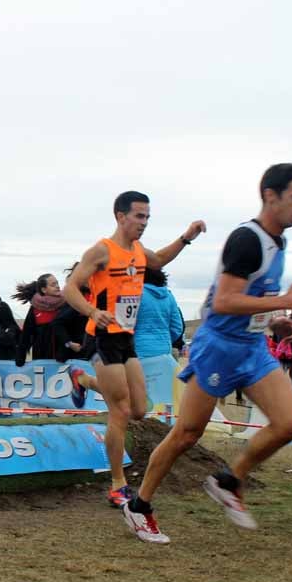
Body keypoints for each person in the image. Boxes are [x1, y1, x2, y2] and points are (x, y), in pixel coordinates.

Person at [120, 163, 292, 543]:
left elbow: (249, 297)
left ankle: (228, 480)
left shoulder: (278, 241)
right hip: (218, 348)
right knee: (187, 434)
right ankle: (139, 505)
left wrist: (274, 318)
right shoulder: (246, 239)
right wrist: (284, 301)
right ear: (270, 196)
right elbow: (225, 301)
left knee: (291, 423)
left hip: (252, 347)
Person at [63, 190, 206, 508]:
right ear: (120, 216)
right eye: (139, 216)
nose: (143, 223)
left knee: (140, 409)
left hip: (126, 339)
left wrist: (186, 237)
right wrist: (92, 312)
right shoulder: (102, 250)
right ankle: (117, 484)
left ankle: (83, 381)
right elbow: (70, 287)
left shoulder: (139, 253)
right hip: (102, 338)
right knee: (121, 411)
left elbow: (159, 260)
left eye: (147, 218)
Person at [14, 274, 75, 366]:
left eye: (57, 283)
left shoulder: (67, 303)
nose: (57, 286)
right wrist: (20, 357)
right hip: (42, 358)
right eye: (53, 284)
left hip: (65, 359)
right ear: (44, 289)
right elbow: (26, 334)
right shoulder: (35, 308)